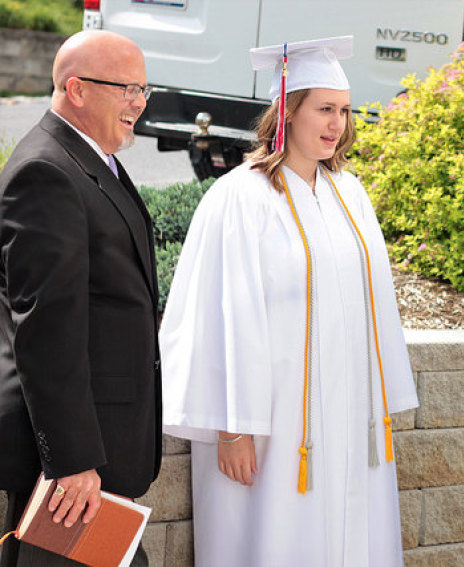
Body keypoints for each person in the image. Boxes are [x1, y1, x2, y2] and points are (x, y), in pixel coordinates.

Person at [159, 36, 418, 566]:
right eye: (324, 109)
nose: (336, 124)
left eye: (344, 111)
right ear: (288, 112)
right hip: (269, 426)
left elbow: (375, 305)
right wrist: (230, 428)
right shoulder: (239, 197)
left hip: (348, 416)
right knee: (273, 541)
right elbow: (218, 314)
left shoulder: (350, 192)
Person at [0, 30, 160, 567]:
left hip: (99, 451)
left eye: (144, 89)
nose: (138, 102)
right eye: (127, 89)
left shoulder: (89, 158)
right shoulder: (46, 172)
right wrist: (71, 461)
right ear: (77, 89)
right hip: (75, 468)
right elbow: (46, 329)